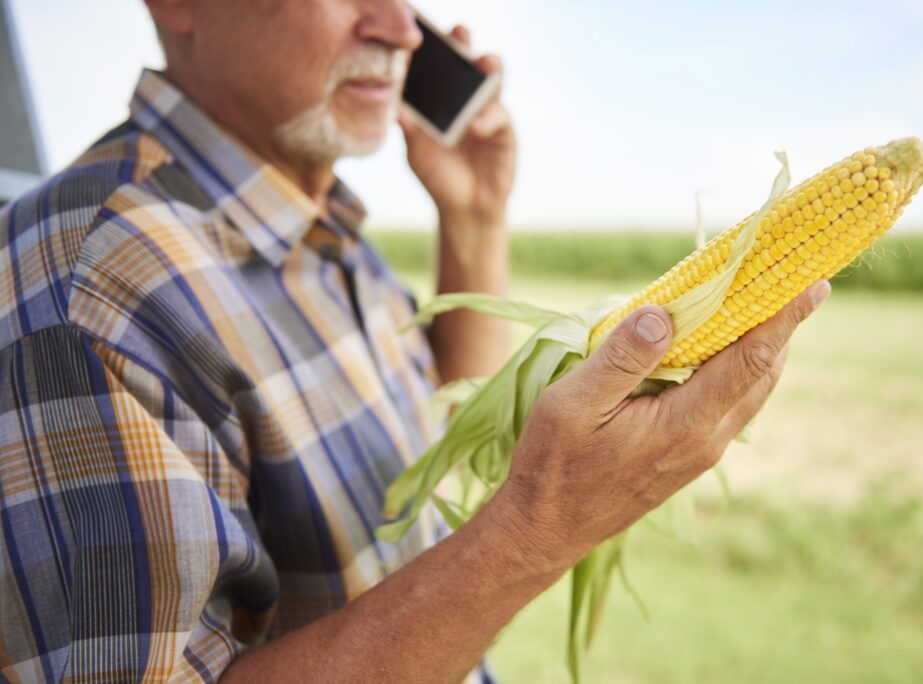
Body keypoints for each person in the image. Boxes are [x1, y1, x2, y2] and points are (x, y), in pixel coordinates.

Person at [0, 1, 830, 681]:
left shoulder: (317, 227)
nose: (400, 29)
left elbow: (431, 457)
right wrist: (537, 530)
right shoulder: (92, 276)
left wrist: (473, 214)